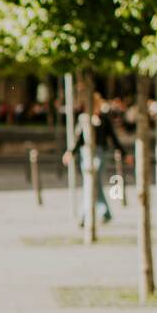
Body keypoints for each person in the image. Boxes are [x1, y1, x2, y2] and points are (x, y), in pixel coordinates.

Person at [63, 92, 122, 226]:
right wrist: (70, 152)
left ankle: (85, 216)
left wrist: (123, 152)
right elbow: (78, 138)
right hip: (86, 153)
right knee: (93, 184)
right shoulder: (84, 118)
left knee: (92, 183)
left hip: (100, 152)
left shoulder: (104, 118)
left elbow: (112, 137)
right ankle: (104, 212)